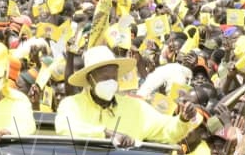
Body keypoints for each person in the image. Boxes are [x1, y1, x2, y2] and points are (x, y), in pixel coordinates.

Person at [54, 46, 199, 145]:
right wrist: (106, 134)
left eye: (113, 77)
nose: (110, 82)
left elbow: (166, 130)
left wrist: (182, 120)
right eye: (104, 78)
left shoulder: (136, 107)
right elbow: (64, 128)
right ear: (90, 79)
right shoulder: (71, 104)